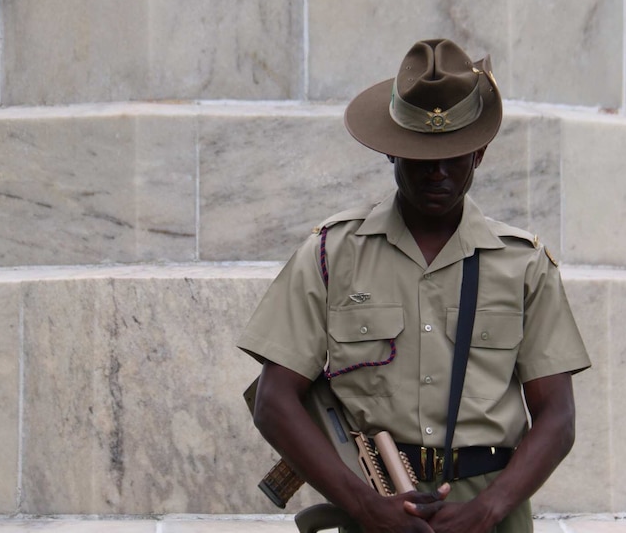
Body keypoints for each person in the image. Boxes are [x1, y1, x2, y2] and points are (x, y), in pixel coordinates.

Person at [238, 38, 591, 533]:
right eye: (420, 156)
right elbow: (274, 401)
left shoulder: (523, 265)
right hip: (375, 500)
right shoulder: (331, 253)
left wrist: (487, 509)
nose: (438, 172)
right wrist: (363, 506)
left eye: (454, 154)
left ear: (480, 153)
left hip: (490, 506)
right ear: (389, 151)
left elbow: (558, 418)